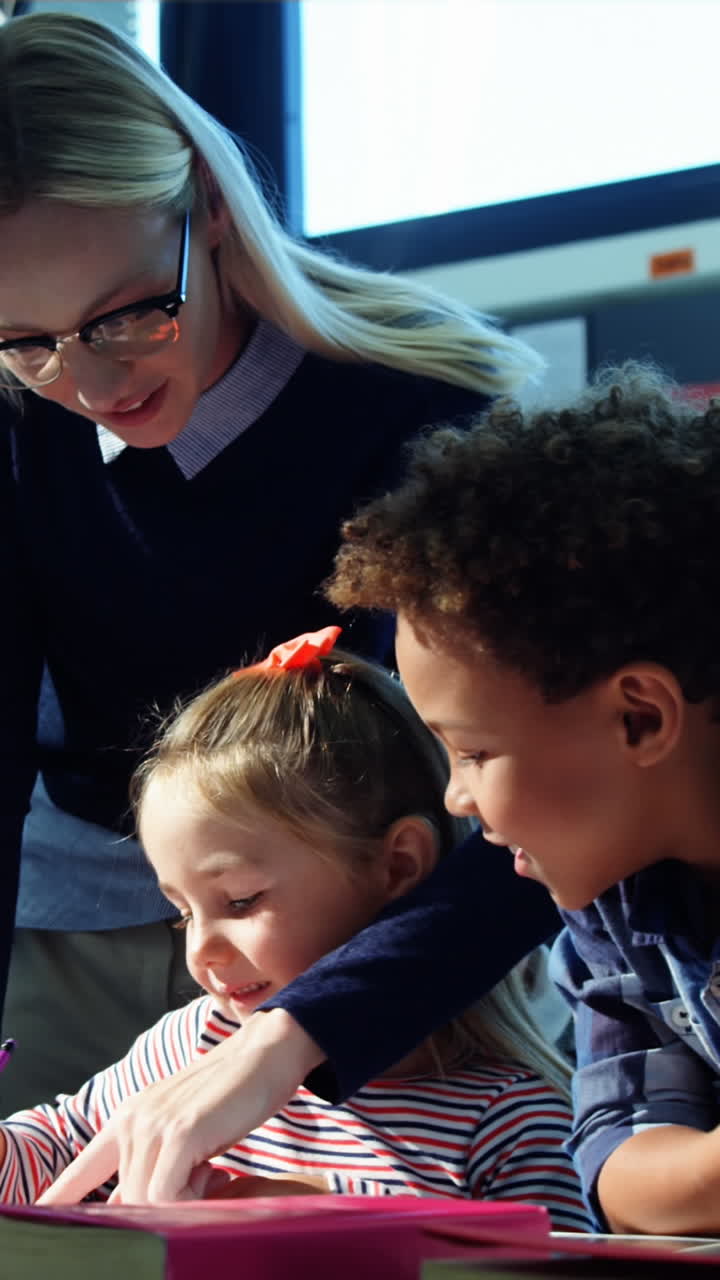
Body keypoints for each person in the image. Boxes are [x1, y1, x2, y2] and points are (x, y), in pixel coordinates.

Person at [0, 3, 557, 1125]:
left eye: (128, 316)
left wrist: (315, 1027)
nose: (94, 386)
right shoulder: (20, 418)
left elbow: (542, 804)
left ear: (208, 206)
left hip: (395, 934)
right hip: (72, 931)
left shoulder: (431, 415)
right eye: (27, 342)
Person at [0, 629, 588, 1230]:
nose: (200, 951)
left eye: (242, 900)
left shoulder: (508, 1123)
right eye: (182, 912)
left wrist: (298, 1209)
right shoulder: (192, 1047)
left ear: (399, 865)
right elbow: (56, 1146)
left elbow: (551, 1258)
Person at [322, 360, 720, 1237]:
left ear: (641, 717)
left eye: (472, 751)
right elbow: (615, 1164)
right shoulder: (612, 904)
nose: (459, 800)